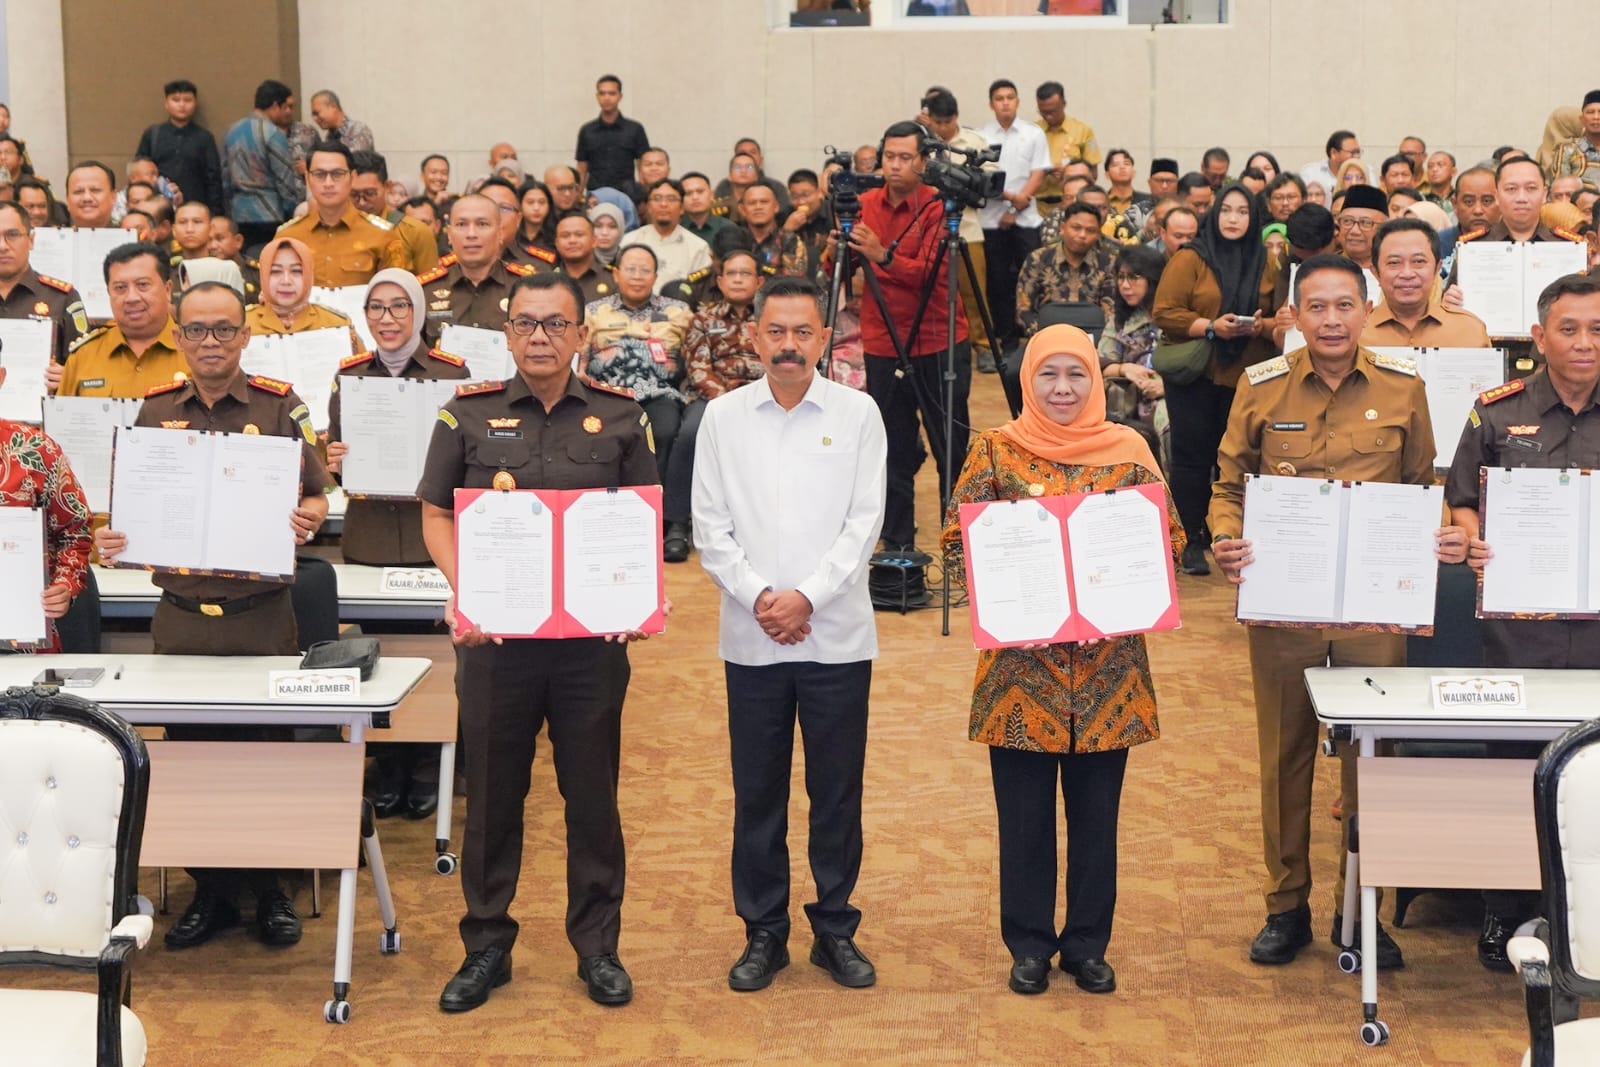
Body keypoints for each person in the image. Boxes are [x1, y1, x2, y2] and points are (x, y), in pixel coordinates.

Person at [1208, 253, 1467, 973]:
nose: (1330, 320)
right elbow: (1228, 482)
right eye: (1315, 307)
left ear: (1365, 308)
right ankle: (1284, 905)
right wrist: (1225, 537)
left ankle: (1362, 911)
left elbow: (1421, 486)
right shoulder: (1261, 387)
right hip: (1284, 606)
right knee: (1284, 755)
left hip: (1371, 610)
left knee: (1371, 763)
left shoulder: (1403, 386)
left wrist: (1440, 528)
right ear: (1295, 313)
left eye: (1344, 306)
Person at [419, 272, 660, 1011]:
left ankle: (598, 948)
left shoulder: (623, 419)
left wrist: (638, 592)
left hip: (590, 645)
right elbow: (435, 516)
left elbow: (643, 520)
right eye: (525, 324)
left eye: (556, 324)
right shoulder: (466, 415)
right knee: (492, 796)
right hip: (497, 645)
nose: (540, 338)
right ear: (507, 333)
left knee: (592, 795)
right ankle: (486, 944)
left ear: (583, 335)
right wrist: (468, 592)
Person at [943, 323, 1178, 996]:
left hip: (1109, 672)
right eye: (1049, 374)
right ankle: (1027, 943)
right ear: (1027, 380)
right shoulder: (995, 448)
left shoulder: (1130, 448)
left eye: (1077, 374)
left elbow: (1168, 537)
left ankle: (1085, 945)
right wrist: (1014, 595)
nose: (1064, 388)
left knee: (1097, 817)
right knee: (1022, 816)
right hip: (1020, 674)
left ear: (1098, 380)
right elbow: (958, 544)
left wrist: (1123, 572)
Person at [96, 280, 331, 950]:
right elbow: (130, 511)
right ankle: (216, 891)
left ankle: (272, 891)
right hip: (181, 619)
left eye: (223, 329)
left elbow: (316, 496)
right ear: (178, 336)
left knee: (264, 758)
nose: (210, 342)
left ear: (245, 335)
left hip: (260, 616)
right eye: (197, 330)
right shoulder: (154, 409)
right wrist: (117, 538)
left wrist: (306, 520)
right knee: (194, 759)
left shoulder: (278, 405)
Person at [692, 273, 887, 992]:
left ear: (824, 337)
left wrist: (806, 596)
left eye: (803, 332)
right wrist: (761, 598)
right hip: (751, 637)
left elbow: (864, 522)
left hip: (837, 636)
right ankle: (764, 932)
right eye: (775, 331)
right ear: (754, 336)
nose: (789, 346)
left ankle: (834, 928)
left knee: (837, 790)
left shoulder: (860, 412)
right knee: (758, 791)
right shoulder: (724, 418)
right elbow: (709, 529)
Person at [1446, 272, 1600, 970]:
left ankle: (1584, 916)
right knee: (1511, 770)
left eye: (1598, 329)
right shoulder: (1496, 412)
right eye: (1569, 328)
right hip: (1520, 629)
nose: (1585, 343)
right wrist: (1470, 537)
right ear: (1538, 336)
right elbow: (1461, 500)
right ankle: (1505, 909)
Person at [850, 120, 971, 552]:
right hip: (883, 342)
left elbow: (930, 275)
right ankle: (897, 544)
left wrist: (882, 254)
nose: (896, 165)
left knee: (950, 448)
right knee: (893, 450)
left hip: (938, 341)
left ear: (924, 161)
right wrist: (837, 251)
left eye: (906, 158)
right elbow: (839, 275)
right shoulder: (863, 204)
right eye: (889, 157)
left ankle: (959, 542)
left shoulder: (941, 207)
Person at [1152, 183, 1277, 575]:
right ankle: (1190, 540)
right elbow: (1165, 312)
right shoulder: (1192, 258)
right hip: (1198, 375)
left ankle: (1235, 537)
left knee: (1240, 459)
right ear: (1214, 214)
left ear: (1254, 218)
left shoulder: (1268, 262)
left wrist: (1260, 325)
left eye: (1242, 212)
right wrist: (1210, 326)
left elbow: (1281, 315)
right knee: (1192, 458)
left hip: (1248, 376)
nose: (1234, 218)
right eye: (1227, 210)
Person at [660, 250, 764, 564]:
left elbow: (776, 363)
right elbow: (699, 369)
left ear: (759, 281)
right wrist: (731, 404)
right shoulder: (703, 318)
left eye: (745, 274)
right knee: (691, 433)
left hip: (764, 395)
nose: (737, 279)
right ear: (719, 281)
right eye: (731, 273)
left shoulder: (771, 319)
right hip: (713, 396)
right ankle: (676, 523)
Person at [0, 344, 91, 652]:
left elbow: (75, 533)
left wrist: (65, 586)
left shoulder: (35, 449)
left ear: (0, 379)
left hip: (25, 638)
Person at [585, 244, 690, 484]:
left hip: (659, 392)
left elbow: (689, 357)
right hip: (607, 393)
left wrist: (620, 349)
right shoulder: (593, 311)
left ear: (655, 276)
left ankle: (659, 507)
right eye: (630, 269)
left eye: (644, 270)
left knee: (665, 431)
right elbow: (582, 360)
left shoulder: (678, 311)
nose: (637, 276)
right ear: (616, 273)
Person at [53, 242, 184, 397]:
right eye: (120, 288)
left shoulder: (194, 351)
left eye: (142, 285)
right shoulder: (85, 355)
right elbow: (62, 419)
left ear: (168, 290)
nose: (131, 298)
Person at [980, 80, 1050, 354]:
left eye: (1010, 97)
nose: (1005, 102)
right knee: (998, 284)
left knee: (1033, 281)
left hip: (1027, 221)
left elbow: (1038, 173)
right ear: (991, 104)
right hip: (992, 221)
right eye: (999, 98)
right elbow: (985, 178)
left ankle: (1035, 340)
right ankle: (1007, 342)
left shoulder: (1033, 133)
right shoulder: (982, 136)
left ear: (1018, 102)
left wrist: (1018, 205)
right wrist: (1012, 200)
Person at [276, 140, 406, 286]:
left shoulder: (382, 235)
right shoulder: (287, 236)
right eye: (319, 174)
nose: (328, 183)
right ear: (307, 178)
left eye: (337, 174)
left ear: (352, 177)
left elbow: (396, 297)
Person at [1361, 218, 1491, 348]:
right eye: (1394, 263)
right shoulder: (1357, 332)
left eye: (1418, 262)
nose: (1407, 274)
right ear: (1376, 273)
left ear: (1437, 268)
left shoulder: (1469, 330)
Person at [417, 193, 530, 341]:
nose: (471, 234)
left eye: (482, 224)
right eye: (461, 224)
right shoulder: (424, 290)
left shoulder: (526, 287)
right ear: (449, 235)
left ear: (500, 233)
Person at [0, 201, 87, 366]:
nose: (2, 246)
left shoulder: (62, 298)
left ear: (31, 240)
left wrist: (66, 377)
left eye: (12, 235)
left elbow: (85, 366)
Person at [1015, 202, 1115, 342]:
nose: (1082, 235)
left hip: (1093, 340)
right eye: (1076, 228)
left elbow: (1110, 311)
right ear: (1062, 228)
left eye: (1090, 230)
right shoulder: (1038, 259)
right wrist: (1043, 336)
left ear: (1098, 234)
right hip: (1045, 338)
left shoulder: (1108, 263)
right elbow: (1024, 309)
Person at [222, 80, 303, 248]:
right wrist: (291, 210)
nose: (286, 112)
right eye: (284, 107)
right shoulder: (273, 133)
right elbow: (285, 178)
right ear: (275, 105)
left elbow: (225, 177)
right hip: (270, 213)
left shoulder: (231, 131)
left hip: (239, 212)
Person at [245, 236, 364, 350]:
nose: (286, 281)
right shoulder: (243, 325)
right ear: (263, 276)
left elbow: (361, 368)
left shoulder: (337, 324)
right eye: (276, 271)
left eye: (296, 271)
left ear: (309, 275)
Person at [1098, 244, 1167, 435]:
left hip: (1169, 394)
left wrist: (1166, 386)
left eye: (1134, 277)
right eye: (1121, 277)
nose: (1125, 285)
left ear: (1153, 279)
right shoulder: (1120, 319)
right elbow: (1100, 363)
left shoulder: (1174, 315)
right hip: (1125, 396)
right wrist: (1124, 368)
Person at [135, 79, 224, 213]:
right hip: (159, 207)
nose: (182, 105)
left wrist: (215, 212)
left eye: (187, 100)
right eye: (176, 100)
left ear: (195, 103)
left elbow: (213, 180)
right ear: (166, 103)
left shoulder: (204, 138)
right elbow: (140, 171)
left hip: (194, 207)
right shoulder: (153, 134)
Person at [350, 151, 439, 274]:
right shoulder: (335, 232)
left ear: (387, 186)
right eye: (353, 194)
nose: (362, 202)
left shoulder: (416, 233)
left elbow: (431, 286)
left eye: (370, 194)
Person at [629, 179, 711, 293]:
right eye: (657, 199)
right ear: (648, 206)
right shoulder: (630, 240)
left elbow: (701, 290)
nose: (663, 204)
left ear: (682, 208)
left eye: (671, 199)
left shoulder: (698, 247)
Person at [575, 75, 649, 194]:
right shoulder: (587, 131)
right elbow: (582, 170)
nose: (607, 98)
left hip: (627, 195)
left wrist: (644, 197)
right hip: (596, 195)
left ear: (620, 96)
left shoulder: (635, 129)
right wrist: (578, 197)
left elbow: (643, 168)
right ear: (597, 96)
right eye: (602, 93)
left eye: (612, 93)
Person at [1034, 79, 1101, 211]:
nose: (1048, 117)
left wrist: (1069, 174)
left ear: (1064, 104)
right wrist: (1044, 172)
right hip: (1035, 207)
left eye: (1052, 111)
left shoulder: (1082, 130)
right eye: (1043, 112)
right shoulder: (1032, 132)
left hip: (1072, 205)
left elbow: (1093, 174)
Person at [738, 184, 807, 279]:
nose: (758, 207)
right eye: (752, 203)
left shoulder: (790, 240)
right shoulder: (735, 238)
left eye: (764, 202)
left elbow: (794, 283)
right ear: (743, 210)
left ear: (776, 207)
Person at [553, 211, 614, 306]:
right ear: (556, 244)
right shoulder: (546, 282)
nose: (572, 240)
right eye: (565, 236)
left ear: (594, 241)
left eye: (579, 234)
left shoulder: (613, 280)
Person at [1550, 90, 1600, 186]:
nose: (1596, 117)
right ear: (1582, 120)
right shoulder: (1568, 150)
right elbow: (1561, 188)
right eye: (1590, 112)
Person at [308, 90, 375, 153]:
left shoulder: (358, 130)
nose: (315, 119)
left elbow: (355, 162)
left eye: (317, 113)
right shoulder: (330, 136)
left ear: (333, 107)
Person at [1301, 129, 1364, 195]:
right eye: (1353, 152)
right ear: (1333, 153)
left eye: (1358, 152)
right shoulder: (1311, 173)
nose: (1357, 157)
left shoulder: (1365, 172)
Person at [63, 161, 116, 229]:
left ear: (113, 197)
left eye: (95, 190)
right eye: (78, 191)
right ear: (67, 200)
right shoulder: (52, 238)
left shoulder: (131, 237)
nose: (87, 198)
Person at [514, 178, 556, 254]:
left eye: (542, 202)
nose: (536, 208)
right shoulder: (511, 235)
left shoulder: (557, 236)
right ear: (519, 204)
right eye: (530, 202)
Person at [589, 201, 625, 267]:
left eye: (612, 226)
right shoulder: (580, 261)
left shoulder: (627, 261)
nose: (604, 233)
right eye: (598, 226)